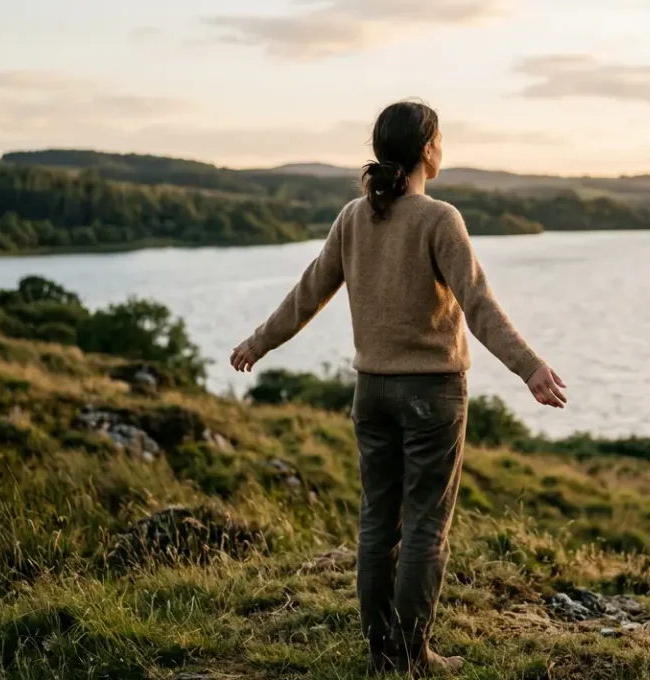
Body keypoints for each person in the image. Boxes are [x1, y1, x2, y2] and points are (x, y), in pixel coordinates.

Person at [229, 100, 567, 676]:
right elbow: (478, 302)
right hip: (432, 394)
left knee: (377, 524)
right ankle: (413, 657)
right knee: (426, 527)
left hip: (372, 394)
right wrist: (529, 365)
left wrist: (259, 342)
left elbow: (308, 292)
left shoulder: (353, 217)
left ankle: (381, 654)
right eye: (441, 140)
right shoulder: (439, 218)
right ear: (427, 150)